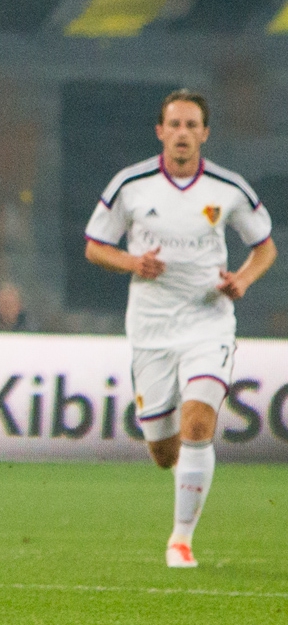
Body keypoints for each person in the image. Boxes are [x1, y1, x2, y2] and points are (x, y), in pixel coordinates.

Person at [84, 90, 276, 568]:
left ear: (205, 133)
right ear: (160, 132)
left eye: (192, 125)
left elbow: (265, 247)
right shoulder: (131, 184)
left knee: (198, 423)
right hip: (151, 329)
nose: (183, 133)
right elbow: (94, 246)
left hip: (208, 323)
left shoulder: (228, 188)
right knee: (164, 452)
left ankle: (181, 540)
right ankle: (179, 476)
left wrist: (242, 280)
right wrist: (133, 262)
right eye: (175, 125)